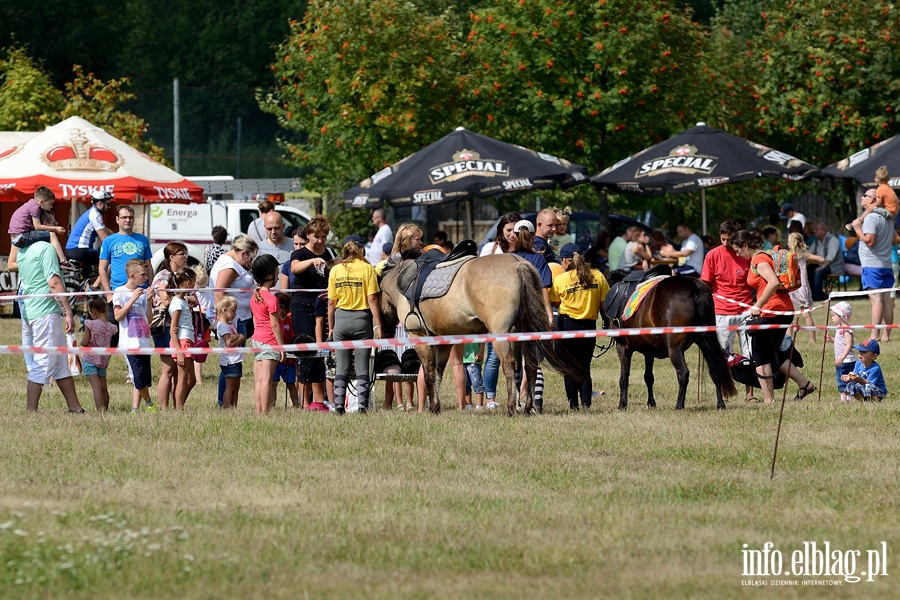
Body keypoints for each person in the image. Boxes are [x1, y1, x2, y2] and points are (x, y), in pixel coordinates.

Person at [731, 229, 816, 404]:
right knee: (773, 353)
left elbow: (774, 282)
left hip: (772, 312)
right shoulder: (764, 256)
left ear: (746, 245)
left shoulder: (758, 259)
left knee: (760, 356)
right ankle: (804, 384)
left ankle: (769, 399)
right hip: (782, 310)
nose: (738, 255)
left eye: (738, 251)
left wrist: (757, 305)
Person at [18, 240, 85, 413]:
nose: (57, 224)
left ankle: (75, 408)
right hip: (45, 312)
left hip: (35, 310)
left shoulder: (24, 249)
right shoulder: (46, 248)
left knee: (61, 364)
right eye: (52, 220)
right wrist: (68, 312)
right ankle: (30, 412)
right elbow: (54, 283)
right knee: (44, 362)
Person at [700, 220, 756, 402]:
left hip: (746, 309)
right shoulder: (712, 255)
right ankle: (723, 392)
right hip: (722, 311)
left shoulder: (746, 254)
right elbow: (705, 284)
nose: (725, 243)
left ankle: (750, 393)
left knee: (750, 353)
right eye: (722, 239)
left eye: (729, 239)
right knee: (724, 353)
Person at [328, 235, 383, 415]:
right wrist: (380, 326)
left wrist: (331, 326)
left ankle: (338, 407)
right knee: (362, 367)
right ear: (362, 249)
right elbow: (372, 299)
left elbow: (331, 303)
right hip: (362, 320)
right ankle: (362, 407)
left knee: (341, 367)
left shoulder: (335, 270)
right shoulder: (368, 269)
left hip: (341, 320)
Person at [551, 243, 609, 412]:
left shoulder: (560, 280)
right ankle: (586, 404)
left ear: (564, 261)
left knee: (569, 367)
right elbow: (603, 304)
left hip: (567, 325)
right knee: (584, 366)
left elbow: (555, 302)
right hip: (589, 326)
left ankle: (573, 404)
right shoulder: (597, 276)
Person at [290, 216, 335, 408]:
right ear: (308, 235)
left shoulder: (330, 252)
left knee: (322, 353)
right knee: (308, 353)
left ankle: (319, 401)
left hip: (325, 306)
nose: (320, 241)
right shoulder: (300, 253)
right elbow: (294, 268)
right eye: (317, 236)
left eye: (324, 236)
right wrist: (312, 261)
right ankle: (305, 401)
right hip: (303, 306)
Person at [211, 236, 258, 405]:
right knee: (230, 366)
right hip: (235, 321)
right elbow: (219, 293)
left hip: (237, 319)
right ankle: (224, 402)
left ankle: (228, 402)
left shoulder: (232, 262)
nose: (250, 261)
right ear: (244, 253)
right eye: (250, 257)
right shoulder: (230, 266)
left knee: (234, 366)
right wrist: (224, 321)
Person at [99, 205, 153, 344]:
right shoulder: (109, 241)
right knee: (111, 338)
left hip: (140, 295)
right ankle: (102, 365)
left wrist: (151, 289)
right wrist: (108, 295)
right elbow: (102, 269)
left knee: (138, 337)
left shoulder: (142, 240)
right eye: (124, 217)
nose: (127, 220)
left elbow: (149, 266)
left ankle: (134, 365)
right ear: (117, 219)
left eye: (130, 217)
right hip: (118, 294)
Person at [851, 188, 894, 343]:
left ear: (873, 200)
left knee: (876, 300)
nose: (862, 197)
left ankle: (874, 335)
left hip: (872, 265)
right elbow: (895, 240)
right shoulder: (888, 218)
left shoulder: (870, 218)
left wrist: (857, 228)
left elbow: (870, 240)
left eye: (865, 196)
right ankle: (886, 336)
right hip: (886, 264)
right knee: (886, 300)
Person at [113, 259, 156, 413]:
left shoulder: (143, 294)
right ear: (132, 276)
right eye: (143, 275)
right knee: (137, 377)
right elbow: (118, 316)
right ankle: (150, 404)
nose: (146, 278)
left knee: (143, 379)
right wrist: (132, 299)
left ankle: (135, 408)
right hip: (129, 343)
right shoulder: (119, 292)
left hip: (144, 341)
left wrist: (149, 301)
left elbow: (149, 319)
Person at [150, 242, 189, 409]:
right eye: (182, 254)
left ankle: (176, 406)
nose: (186, 257)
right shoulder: (162, 277)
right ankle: (164, 408)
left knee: (177, 371)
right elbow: (165, 300)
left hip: (179, 327)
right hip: (165, 327)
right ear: (171, 257)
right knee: (168, 370)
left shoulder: (179, 275)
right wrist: (184, 300)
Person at [250, 254, 285, 414]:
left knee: (259, 380)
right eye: (277, 271)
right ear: (270, 275)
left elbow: (256, 321)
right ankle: (264, 412)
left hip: (257, 339)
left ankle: (259, 410)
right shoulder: (271, 299)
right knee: (266, 380)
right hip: (269, 341)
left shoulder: (255, 296)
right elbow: (275, 324)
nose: (278, 274)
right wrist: (281, 346)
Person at [8, 186, 68, 272]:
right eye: (50, 204)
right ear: (41, 202)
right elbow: (38, 227)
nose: (51, 207)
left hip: (16, 237)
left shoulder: (30, 204)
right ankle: (63, 261)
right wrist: (55, 229)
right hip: (21, 235)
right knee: (52, 235)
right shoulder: (35, 207)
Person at [80, 296, 118, 411]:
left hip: (90, 359)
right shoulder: (112, 327)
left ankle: (99, 410)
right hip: (103, 360)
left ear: (93, 311)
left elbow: (84, 342)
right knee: (103, 387)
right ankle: (105, 408)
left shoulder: (90, 325)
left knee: (96, 386)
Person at [65, 190, 113, 279]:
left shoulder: (91, 212)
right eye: (108, 204)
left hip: (71, 250)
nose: (109, 207)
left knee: (88, 276)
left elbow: (104, 229)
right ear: (99, 203)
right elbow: (104, 238)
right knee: (110, 260)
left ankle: (87, 291)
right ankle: (96, 287)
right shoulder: (96, 215)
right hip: (81, 251)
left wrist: (115, 235)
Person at [168, 267, 198, 410]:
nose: (194, 285)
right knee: (182, 378)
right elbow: (173, 329)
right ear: (187, 283)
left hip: (188, 339)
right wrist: (179, 351)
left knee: (192, 379)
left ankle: (179, 405)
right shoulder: (177, 303)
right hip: (182, 341)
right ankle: (178, 408)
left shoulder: (183, 300)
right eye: (193, 282)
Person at [787, 232, 819, 344]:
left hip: (791, 287)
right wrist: (811, 261)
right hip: (802, 288)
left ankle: (788, 339)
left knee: (789, 315)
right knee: (806, 314)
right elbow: (822, 259)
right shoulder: (804, 256)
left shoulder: (787, 256)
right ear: (801, 243)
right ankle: (812, 339)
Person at [846, 166, 899, 231]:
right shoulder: (888, 188)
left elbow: (878, 203)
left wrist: (870, 206)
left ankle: (859, 221)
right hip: (893, 212)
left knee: (870, 209)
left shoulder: (880, 189)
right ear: (888, 179)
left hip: (889, 212)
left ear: (876, 180)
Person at [215, 295, 245, 409]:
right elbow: (229, 344)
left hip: (236, 359)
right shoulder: (222, 326)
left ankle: (234, 406)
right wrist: (241, 337)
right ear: (224, 310)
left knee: (236, 386)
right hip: (229, 360)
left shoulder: (230, 325)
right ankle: (227, 407)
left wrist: (237, 336)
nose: (235, 314)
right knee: (230, 386)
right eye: (233, 311)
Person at [271, 292, 299, 408]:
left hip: (289, 360)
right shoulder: (273, 321)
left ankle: (296, 405)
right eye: (278, 307)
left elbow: (293, 338)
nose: (280, 310)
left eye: (282, 307)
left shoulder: (290, 321)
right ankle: (271, 405)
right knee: (273, 383)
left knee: (291, 384)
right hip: (276, 358)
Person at [824, 301, 855, 402]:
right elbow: (840, 342)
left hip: (846, 361)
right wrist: (831, 339)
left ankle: (847, 399)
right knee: (840, 380)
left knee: (846, 380)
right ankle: (843, 399)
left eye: (834, 315)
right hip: (840, 360)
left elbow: (849, 345)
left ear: (841, 316)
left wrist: (842, 357)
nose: (832, 318)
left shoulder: (846, 330)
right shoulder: (839, 328)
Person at [256, 211, 294, 287]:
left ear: (283, 226)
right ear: (264, 227)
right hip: (267, 297)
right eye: (269, 229)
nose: (273, 232)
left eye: (276, 228)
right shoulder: (258, 249)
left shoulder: (295, 245)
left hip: (289, 297)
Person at [808, 222, 844, 301]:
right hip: (820, 264)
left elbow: (830, 258)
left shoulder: (832, 239)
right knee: (808, 269)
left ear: (823, 231)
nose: (814, 231)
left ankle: (817, 297)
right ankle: (812, 293)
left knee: (818, 272)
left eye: (817, 229)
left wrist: (822, 267)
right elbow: (810, 253)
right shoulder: (817, 241)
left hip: (832, 266)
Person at [463, 343, 485, 409]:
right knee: (465, 384)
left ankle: (479, 406)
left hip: (474, 359)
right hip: (462, 360)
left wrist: (481, 351)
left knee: (477, 383)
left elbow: (482, 339)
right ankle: (468, 405)